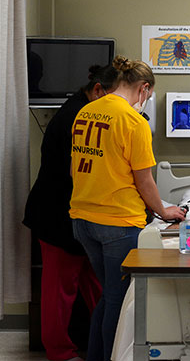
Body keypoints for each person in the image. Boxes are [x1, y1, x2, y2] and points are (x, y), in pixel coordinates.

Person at [69, 55, 185, 361]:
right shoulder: (133, 122)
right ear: (144, 89)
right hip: (117, 224)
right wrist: (164, 211)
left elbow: (75, 169)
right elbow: (144, 180)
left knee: (108, 297)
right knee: (118, 302)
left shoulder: (86, 112)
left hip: (82, 219)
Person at [23, 64, 119, 361]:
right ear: (99, 91)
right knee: (59, 290)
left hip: (79, 214)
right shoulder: (74, 118)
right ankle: (60, 352)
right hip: (56, 216)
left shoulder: (84, 111)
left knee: (96, 282)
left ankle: (109, 342)